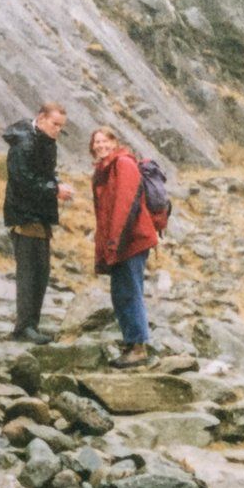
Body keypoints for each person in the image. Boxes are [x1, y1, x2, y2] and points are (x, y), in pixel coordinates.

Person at [3, 102, 74, 344]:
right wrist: (55, 189)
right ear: (41, 118)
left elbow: (43, 174)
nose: (57, 130)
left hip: (39, 216)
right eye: (55, 124)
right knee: (29, 272)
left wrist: (54, 182)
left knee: (41, 272)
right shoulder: (24, 144)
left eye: (61, 127)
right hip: (24, 216)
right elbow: (23, 180)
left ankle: (31, 324)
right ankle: (24, 327)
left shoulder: (44, 141)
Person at [90, 127, 158, 368]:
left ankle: (138, 347)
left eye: (105, 141)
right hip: (122, 241)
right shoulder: (104, 170)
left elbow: (125, 206)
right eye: (96, 142)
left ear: (114, 142)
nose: (100, 146)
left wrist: (114, 243)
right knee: (121, 292)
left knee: (129, 291)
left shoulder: (123, 164)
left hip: (131, 239)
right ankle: (131, 342)